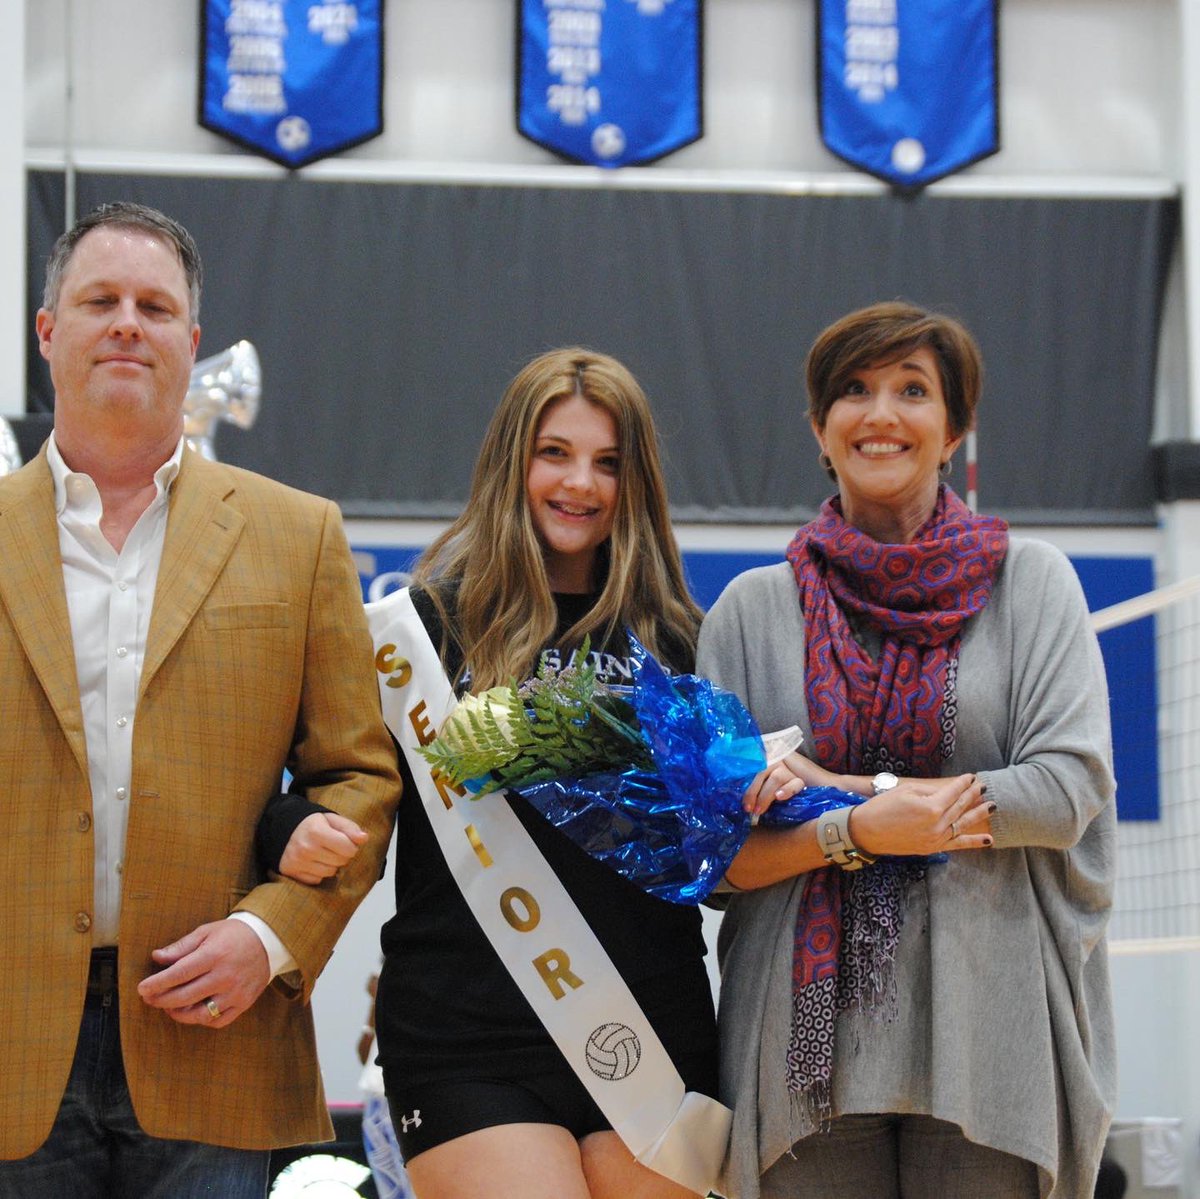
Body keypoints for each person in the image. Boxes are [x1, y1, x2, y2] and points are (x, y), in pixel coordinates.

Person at [0, 202, 401, 1197]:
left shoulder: (297, 534)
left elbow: (358, 777)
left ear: (192, 338)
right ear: (48, 332)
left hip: (213, 1032)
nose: (127, 322)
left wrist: (268, 937)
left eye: (155, 305)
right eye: (100, 300)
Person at [262, 348, 722, 1199]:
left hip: (652, 1034)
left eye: (608, 461)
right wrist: (291, 828)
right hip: (462, 1034)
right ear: (513, 459)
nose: (579, 482)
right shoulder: (421, 632)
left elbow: (716, 862)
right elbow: (322, 781)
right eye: (555, 452)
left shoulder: (682, 643)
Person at [697, 301, 1116, 1198]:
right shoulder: (747, 613)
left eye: (912, 390)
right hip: (801, 1054)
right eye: (853, 390)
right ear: (819, 427)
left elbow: (1064, 787)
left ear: (956, 427)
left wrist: (848, 791)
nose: (880, 413)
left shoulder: (1033, 586)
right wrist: (861, 826)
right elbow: (720, 858)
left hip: (987, 1031)